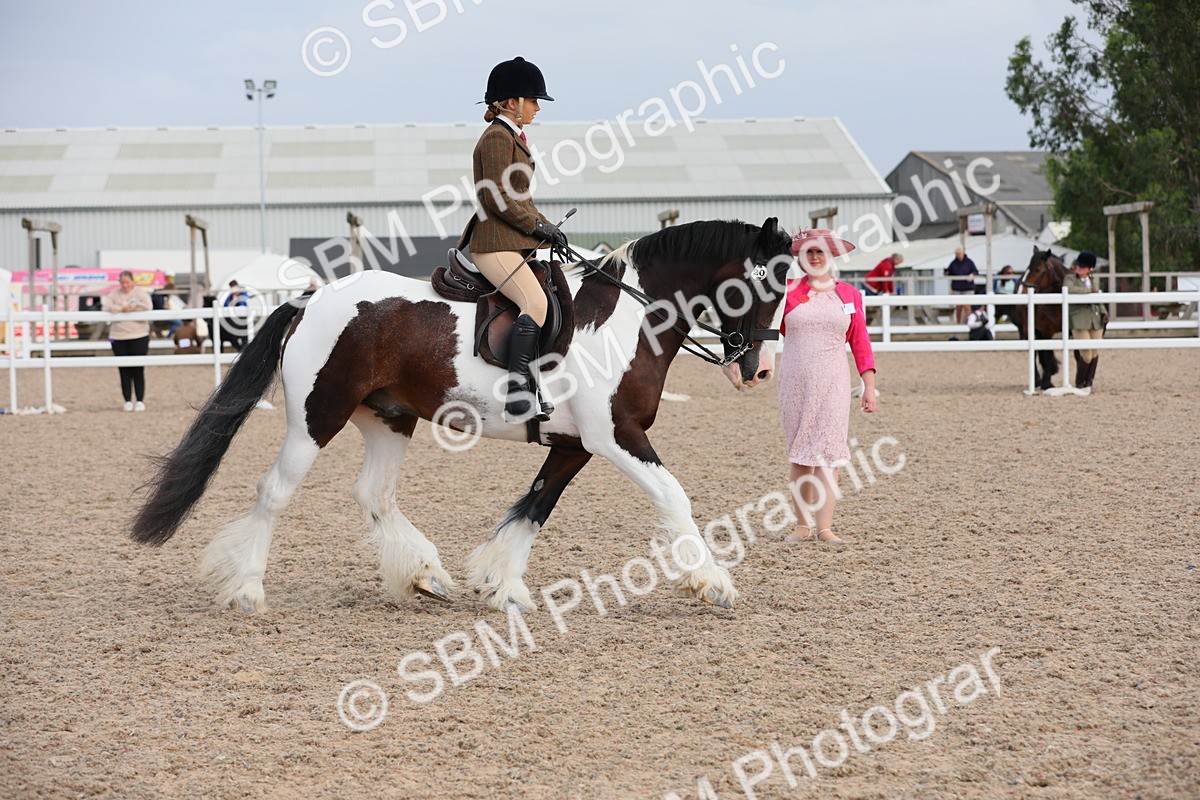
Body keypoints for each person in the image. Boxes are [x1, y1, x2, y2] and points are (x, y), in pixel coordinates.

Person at [457, 56, 563, 423]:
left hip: (510, 241)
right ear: (512, 102)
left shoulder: (512, 138)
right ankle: (517, 393)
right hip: (493, 243)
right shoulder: (496, 138)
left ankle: (534, 382)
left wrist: (549, 227)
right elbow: (497, 197)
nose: (537, 108)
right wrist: (536, 228)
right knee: (535, 302)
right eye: (533, 101)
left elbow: (522, 200)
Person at [778, 229, 877, 546]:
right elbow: (766, 329)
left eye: (820, 251)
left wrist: (869, 385)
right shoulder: (786, 291)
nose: (815, 257)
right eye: (808, 252)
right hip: (795, 381)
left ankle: (825, 527)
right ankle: (802, 525)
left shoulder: (849, 294)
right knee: (801, 455)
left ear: (831, 255)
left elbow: (860, 341)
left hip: (834, 381)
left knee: (829, 454)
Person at [101, 270, 152, 411]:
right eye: (122, 282)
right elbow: (106, 306)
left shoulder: (141, 293)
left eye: (127, 282)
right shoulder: (114, 294)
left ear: (132, 282)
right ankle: (127, 399)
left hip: (139, 335)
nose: (125, 285)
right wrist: (121, 308)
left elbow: (148, 306)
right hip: (118, 337)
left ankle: (140, 399)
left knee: (138, 369)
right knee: (123, 370)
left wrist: (133, 307)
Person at [1065, 250, 1106, 390]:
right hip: (1079, 321)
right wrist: (1089, 292)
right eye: (1078, 265)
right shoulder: (1070, 279)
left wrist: (1103, 311)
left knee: (1095, 353)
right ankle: (1079, 382)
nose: (1079, 268)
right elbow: (1069, 290)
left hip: (1095, 319)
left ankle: (1088, 382)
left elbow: (1097, 297)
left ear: (1090, 269)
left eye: (1083, 266)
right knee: (1086, 355)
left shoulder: (1092, 280)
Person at [945, 248, 979, 324]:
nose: (959, 256)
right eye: (957, 254)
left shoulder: (969, 262)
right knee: (959, 306)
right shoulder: (953, 263)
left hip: (968, 287)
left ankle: (970, 322)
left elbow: (975, 271)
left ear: (963, 253)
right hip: (957, 288)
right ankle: (958, 322)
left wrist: (972, 275)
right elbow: (949, 272)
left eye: (960, 254)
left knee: (967, 306)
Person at [221, 280, 249, 351]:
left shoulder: (243, 294)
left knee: (244, 338)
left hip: (242, 320)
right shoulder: (230, 296)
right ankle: (240, 350)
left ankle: (244, 350)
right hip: (232, 321)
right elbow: (225, 307)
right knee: (233, 338)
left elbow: (243, 305)